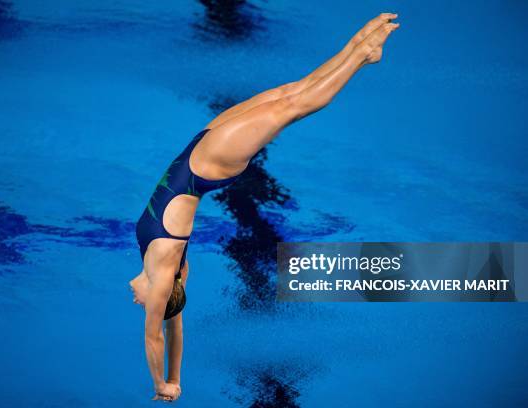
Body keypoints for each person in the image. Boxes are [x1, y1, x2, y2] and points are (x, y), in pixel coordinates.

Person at [129, 13, 400, 401]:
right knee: (294, 107)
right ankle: (359, 55)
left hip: (199, 148)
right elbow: (156, 336)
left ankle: (362, 47)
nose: (136, 303)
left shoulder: (163, 273)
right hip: (206, 166)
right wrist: (160, 385)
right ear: (163, 297)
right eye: (148, 306)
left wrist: (176, 377)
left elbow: (175, 331)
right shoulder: (163, 277)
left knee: (290, 92)